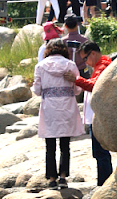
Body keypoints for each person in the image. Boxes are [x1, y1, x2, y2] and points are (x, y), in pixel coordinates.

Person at [32, 38, 84, 188]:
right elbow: (77, 88)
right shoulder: (70, 65)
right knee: (65, 144)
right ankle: (63, 177)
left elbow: (36, 90)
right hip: (67, 106)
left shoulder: (40, 66)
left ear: (48, 50)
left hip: (49, 108)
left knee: (50, 145)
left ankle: (51, 179)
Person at [66, 41, 113, 186]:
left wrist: (76, 80)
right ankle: (104, 182)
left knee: (100, 153)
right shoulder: (102, 64)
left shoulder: (102, 65)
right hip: (97, 115)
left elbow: (95, 86)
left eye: (85, 58)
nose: (86, 63)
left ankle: (103, 183)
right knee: (100, 152)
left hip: (98, 116)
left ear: (93, 53)